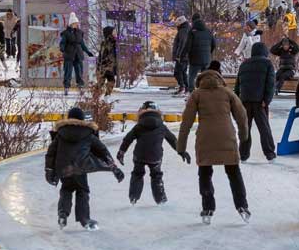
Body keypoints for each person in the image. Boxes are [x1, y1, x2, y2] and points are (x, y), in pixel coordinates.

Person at [177, 69, 251, 224]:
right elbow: (242, 115)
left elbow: (186, 122)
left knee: (205, 173)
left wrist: (181, 147)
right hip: (227, 136)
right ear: (219, 79)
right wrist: (244, 136)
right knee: (234, 172)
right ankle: (242, 206)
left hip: (205, 138)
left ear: (200, 80)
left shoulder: (196, 95)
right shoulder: (227, 92)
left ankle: (207, 208)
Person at [44, 107, 124, 231]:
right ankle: (84, 219)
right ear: (82, 119)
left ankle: (62, 215)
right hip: (81, 167)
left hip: (64, 168)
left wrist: (49, 169)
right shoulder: (87, 133)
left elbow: (51, 153)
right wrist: (113, 167)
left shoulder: (60, 134)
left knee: (66, 189)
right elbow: (102, 150)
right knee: (82, 191)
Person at [117, 101, 190, 205]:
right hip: (155, 156)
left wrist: (121, 152)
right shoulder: (161, 126)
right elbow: (172, 140)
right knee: (156, 176)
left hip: (140, 155)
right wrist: (182, 152)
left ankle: (133, 198)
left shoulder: (139, 126)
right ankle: (161, 200)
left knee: (137, 174)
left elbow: (127, 139)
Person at [235, 42, 276, 161]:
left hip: (244, 101)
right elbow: (270, 84)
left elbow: (238, 85)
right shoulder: (267, 64)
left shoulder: (244, 64)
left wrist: (237, 99)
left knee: (245, 128)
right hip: (260, 102)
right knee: (264, 129)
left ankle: (243, 154)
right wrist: (267, 100)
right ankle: (269, 153)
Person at [59, 13, 94, 95]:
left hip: (78, 54)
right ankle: (66, 87)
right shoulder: (66, 33)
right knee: (68, 72)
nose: (77, 24)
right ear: (71, 24)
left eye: (77, 23)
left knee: (79, 72)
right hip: (69, 54)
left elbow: (82, 44)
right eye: (75, 23)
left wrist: (87, 51)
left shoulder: (79, 32)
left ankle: (80, 86)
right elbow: (62, 43)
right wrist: (62, 48)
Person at [185, 15, 216, 93]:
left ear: (193, 21)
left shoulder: (192, 31)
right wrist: (209, 53)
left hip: (194, 59)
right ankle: (205, 92)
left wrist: (183, 55)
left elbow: (188, 46)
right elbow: (214, 44)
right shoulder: (208, 31)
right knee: (205, 77)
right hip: (206, 59)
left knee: (191, 76)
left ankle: (191, 92)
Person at [171, 16, 192, 95]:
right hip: (185, 55)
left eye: (177, 24)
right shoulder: (186, 29)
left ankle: (182, 87)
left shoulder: (183, 30)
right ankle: (186, 88)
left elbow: (182, 44)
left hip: (182, 56)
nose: (176, 25)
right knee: (182, 72)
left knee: (177, 72)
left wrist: (178, 55)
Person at [97, 26, 119, 96]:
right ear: (109, 33)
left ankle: (106, 97)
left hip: (110, 67)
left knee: (111, 82)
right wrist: (104, 67)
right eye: (114, 31)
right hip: (105, 67)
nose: (115, 33)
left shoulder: (113, 42)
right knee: (101, 84)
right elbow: (102, 56)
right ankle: (96, 98)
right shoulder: (106, 43)